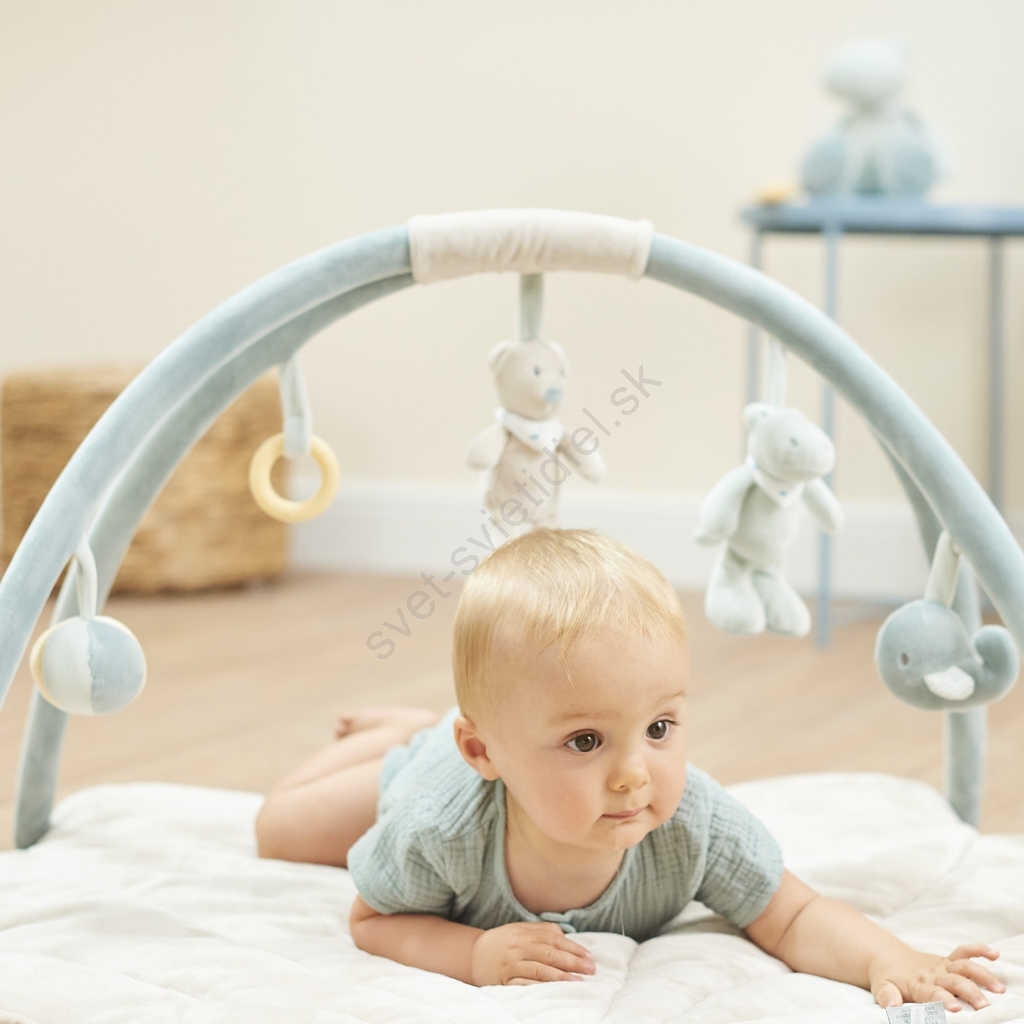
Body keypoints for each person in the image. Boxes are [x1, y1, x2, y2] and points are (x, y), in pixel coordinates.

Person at [256, 529, 1004, 1009]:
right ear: (483, 752)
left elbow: (793, 914)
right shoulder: (437, 828)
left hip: (477, 744)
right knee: (277, 829)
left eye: (658, 728)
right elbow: (373, 918)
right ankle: (402, 733)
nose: (633, 774)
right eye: (586, 741)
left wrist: (889, 959)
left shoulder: (694, 823)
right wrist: (471, 953)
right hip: (420, 769)